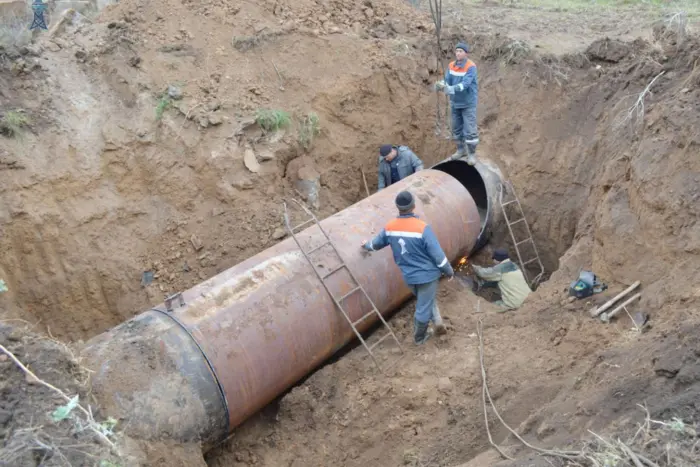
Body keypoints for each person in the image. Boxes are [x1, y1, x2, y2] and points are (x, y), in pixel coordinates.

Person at [361, 191, 454, 345]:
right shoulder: (422, 228)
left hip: (409, 276)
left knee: (425, 299)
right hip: (427, 275)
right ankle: (420, 338)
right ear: (413, 206)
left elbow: (375, 244)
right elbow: (438, 255)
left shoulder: (390, 227)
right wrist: (448, 270)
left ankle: (438, 322)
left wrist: (366, 245)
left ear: (398, 207)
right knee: (423, 307)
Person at [435, 42, 479, 166]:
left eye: (461, 51)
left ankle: (471, 153)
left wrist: (451, 89)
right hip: (455, 103)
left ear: (466, 53)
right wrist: (441, 84)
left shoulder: (471, 67)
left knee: (470, 130)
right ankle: (461, 150)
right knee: (456, 128)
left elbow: (465, 84)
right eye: (457, 51)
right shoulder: (451, 66)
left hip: (468, 103)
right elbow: (447, 80)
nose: (458, 53)